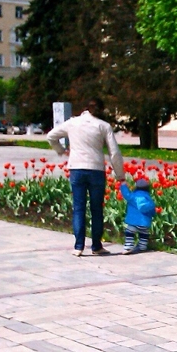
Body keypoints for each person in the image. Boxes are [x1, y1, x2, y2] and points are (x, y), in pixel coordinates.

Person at [46, 98, 125, 256]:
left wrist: (61, 150)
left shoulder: (72, 123)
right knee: (96, 209)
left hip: (76, 168)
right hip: (96, 169)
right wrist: (120, 174)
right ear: (101, 110)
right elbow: (114, 153)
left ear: (85, 108)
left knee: (79, 208)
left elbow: (51, 136)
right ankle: (96, 245)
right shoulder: (103, 126)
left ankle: (78, 246)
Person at [120, 178, 156, 254]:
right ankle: (142, 247)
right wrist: (153, 215)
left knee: (129, 233)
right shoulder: (149, 199)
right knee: (144, 234)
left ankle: (128, 247)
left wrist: (123, 185)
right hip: (144, 223)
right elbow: (153, 210)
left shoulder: (133, 197)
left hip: (133, 222)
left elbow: (126, 194)